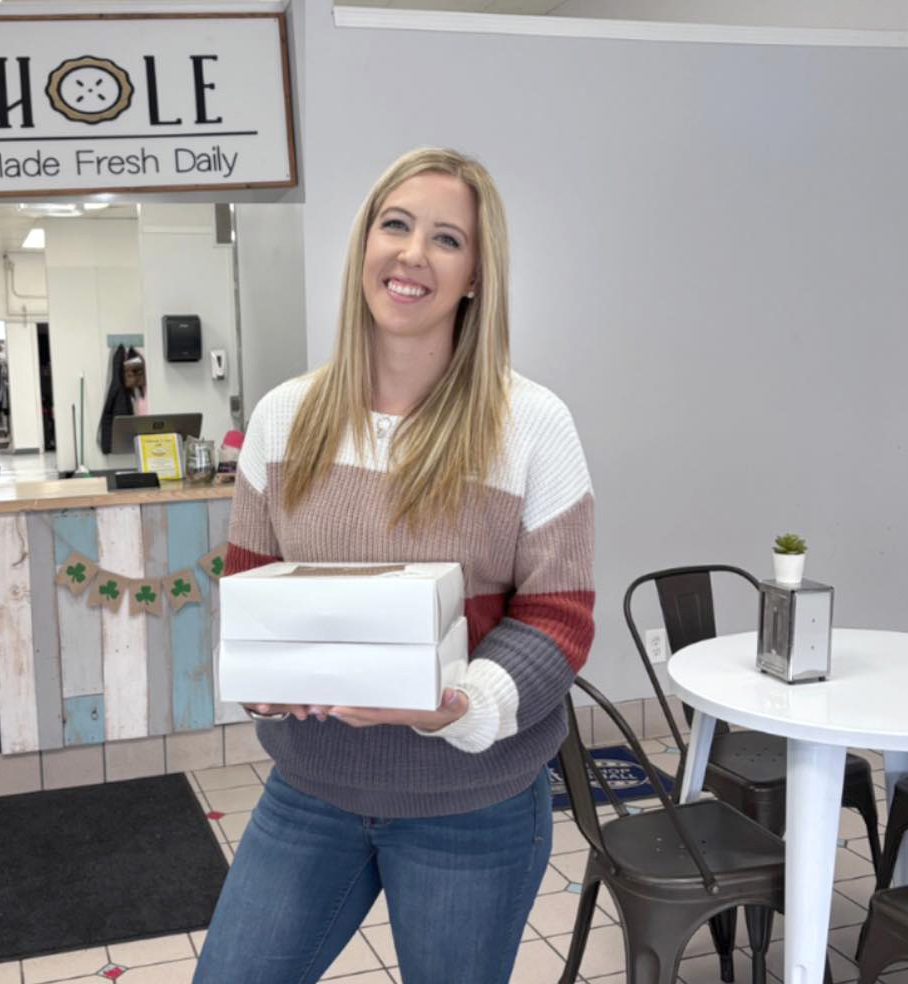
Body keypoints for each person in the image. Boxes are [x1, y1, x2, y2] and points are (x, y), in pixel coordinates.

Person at [194, 148, 595, 983]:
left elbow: (558, 617)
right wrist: (256, 669)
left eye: (447, 239)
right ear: (363, 246)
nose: (413, 254)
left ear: (476, 275)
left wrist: (453, 704)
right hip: (310, 794)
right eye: (396, 224)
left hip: (471, 805)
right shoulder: (283, 418)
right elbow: (248, 585)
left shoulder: (531, 423)